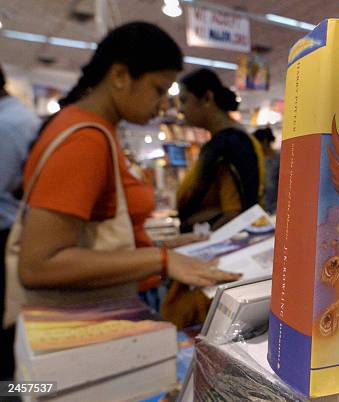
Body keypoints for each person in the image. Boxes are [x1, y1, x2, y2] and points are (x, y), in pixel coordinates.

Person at [5, 22, 240, 332]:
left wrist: (170, 247)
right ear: (119, 76)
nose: (163, 107)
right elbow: (40, 264)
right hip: (75, 328)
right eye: (158, 90)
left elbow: (100, 237)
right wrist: (162, 260)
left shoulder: (96, 131)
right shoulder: (85, 139)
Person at [176, 68, 264, 232]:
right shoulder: (226, 142)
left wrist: (204, 242)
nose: (180, 109)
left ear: (207, 98)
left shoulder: (230, 144)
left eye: (184, 100)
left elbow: (235, 214)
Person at [0, 65, 40, 380]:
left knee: (9, 347)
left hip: (8, 236)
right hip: (18, 236)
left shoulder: (7, 124)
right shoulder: (20, 117)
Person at [253, 127, 280, 213]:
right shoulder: (258, 159)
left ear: (264, 141)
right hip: (262, 205)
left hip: (276, 204)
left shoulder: (279, 157)